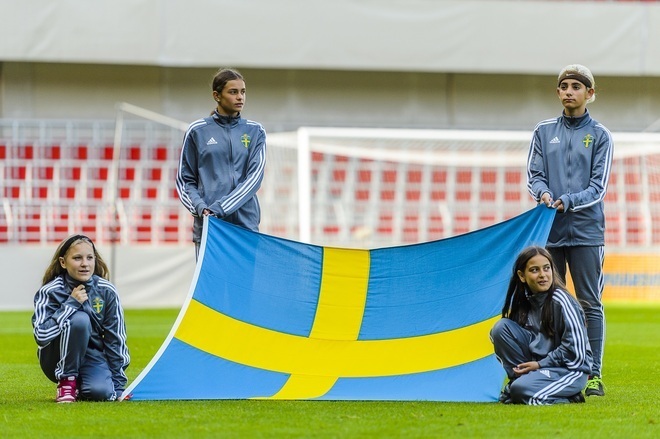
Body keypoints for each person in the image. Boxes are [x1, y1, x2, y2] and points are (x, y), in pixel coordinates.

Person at [526, 64, 613, 397]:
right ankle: (553, 368)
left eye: (576, 86)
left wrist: (566, 200)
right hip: (550, 230)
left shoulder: (601, 135)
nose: (569, 91)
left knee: (589, 303)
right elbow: (534, 174)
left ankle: (593, 375)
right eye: (564, 86)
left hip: (587, 231)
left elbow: (598, 187)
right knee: (548, 300)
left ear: (590, 93)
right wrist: (543, 193)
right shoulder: (544, 131)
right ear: (558, 92)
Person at [176, 67, 267, 259]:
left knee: (244, 288)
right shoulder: (197, 131)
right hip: (210, 227)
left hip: (246, 226)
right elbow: (185, 181)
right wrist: (201, 209)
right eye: (233, 92)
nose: (240, 97)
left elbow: (255, 178)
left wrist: (221, 208)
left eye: (243, 92)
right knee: (211, 288)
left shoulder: (255, 131)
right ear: (217, 96)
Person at [32, 234, 130, 403]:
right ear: (63, 262)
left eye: (89, 258)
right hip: (55, 357)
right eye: (77, 258)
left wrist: (118, 385)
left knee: (101, 393)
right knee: (79, 319)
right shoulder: (50, 291)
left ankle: (81, 385)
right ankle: (67, 383)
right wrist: (70, 304)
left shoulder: (107, 291)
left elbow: (116, 338)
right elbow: (41, 336)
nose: (85, 264)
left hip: (91, 356)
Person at [490, 246, 593, 405]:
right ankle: (520, 381)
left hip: (570, 371)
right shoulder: (525, 302)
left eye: (546, 268)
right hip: (542, 369)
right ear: (522, 276)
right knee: (501, 329)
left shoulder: (562, 301)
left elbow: (576, 353)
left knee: (520, 391)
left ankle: (569, 397)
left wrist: (540, 364)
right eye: (534, 270)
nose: (543, 275)